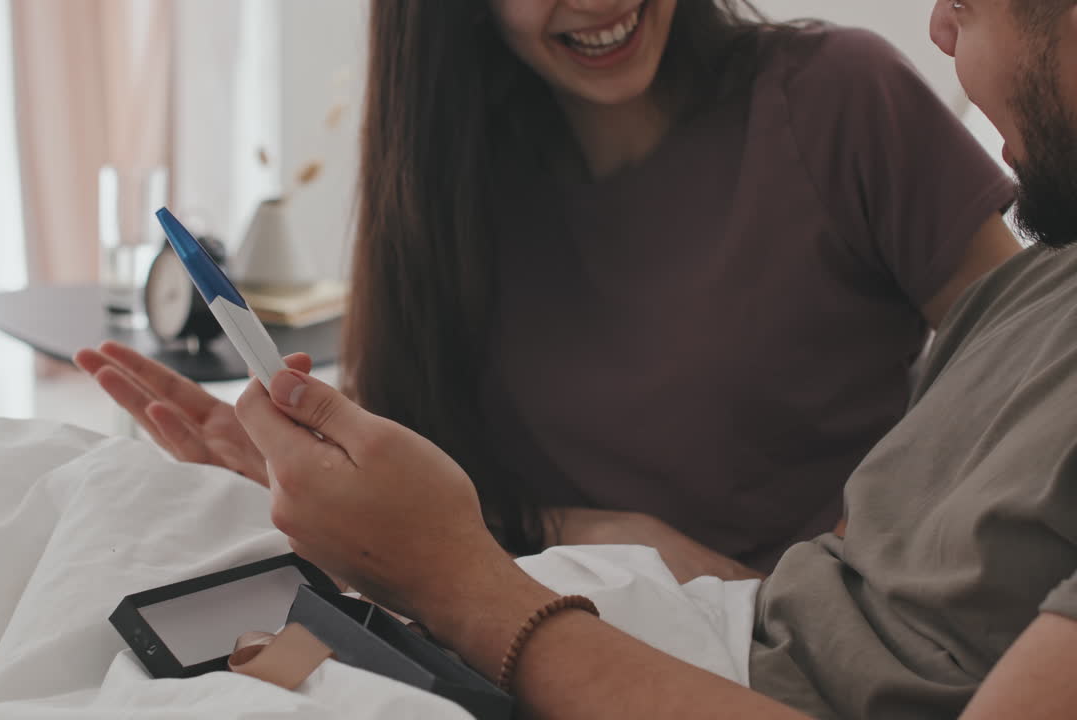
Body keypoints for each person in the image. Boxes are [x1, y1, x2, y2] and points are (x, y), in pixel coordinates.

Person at [224, 0, 1077, 717]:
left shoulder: (834, 105)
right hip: (615, 604)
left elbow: (1002, 415)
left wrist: (458, 580)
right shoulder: (449, 175)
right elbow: (1006, 399)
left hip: (644, 629)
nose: (938, 29)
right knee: (242, 654)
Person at [77, 0, 1023, 581]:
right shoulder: (449, 180)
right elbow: (446, 477)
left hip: (779, 658)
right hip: (519, 633)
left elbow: (1043, 392)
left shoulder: (837, 98)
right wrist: (322, 473)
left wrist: (816, 582)